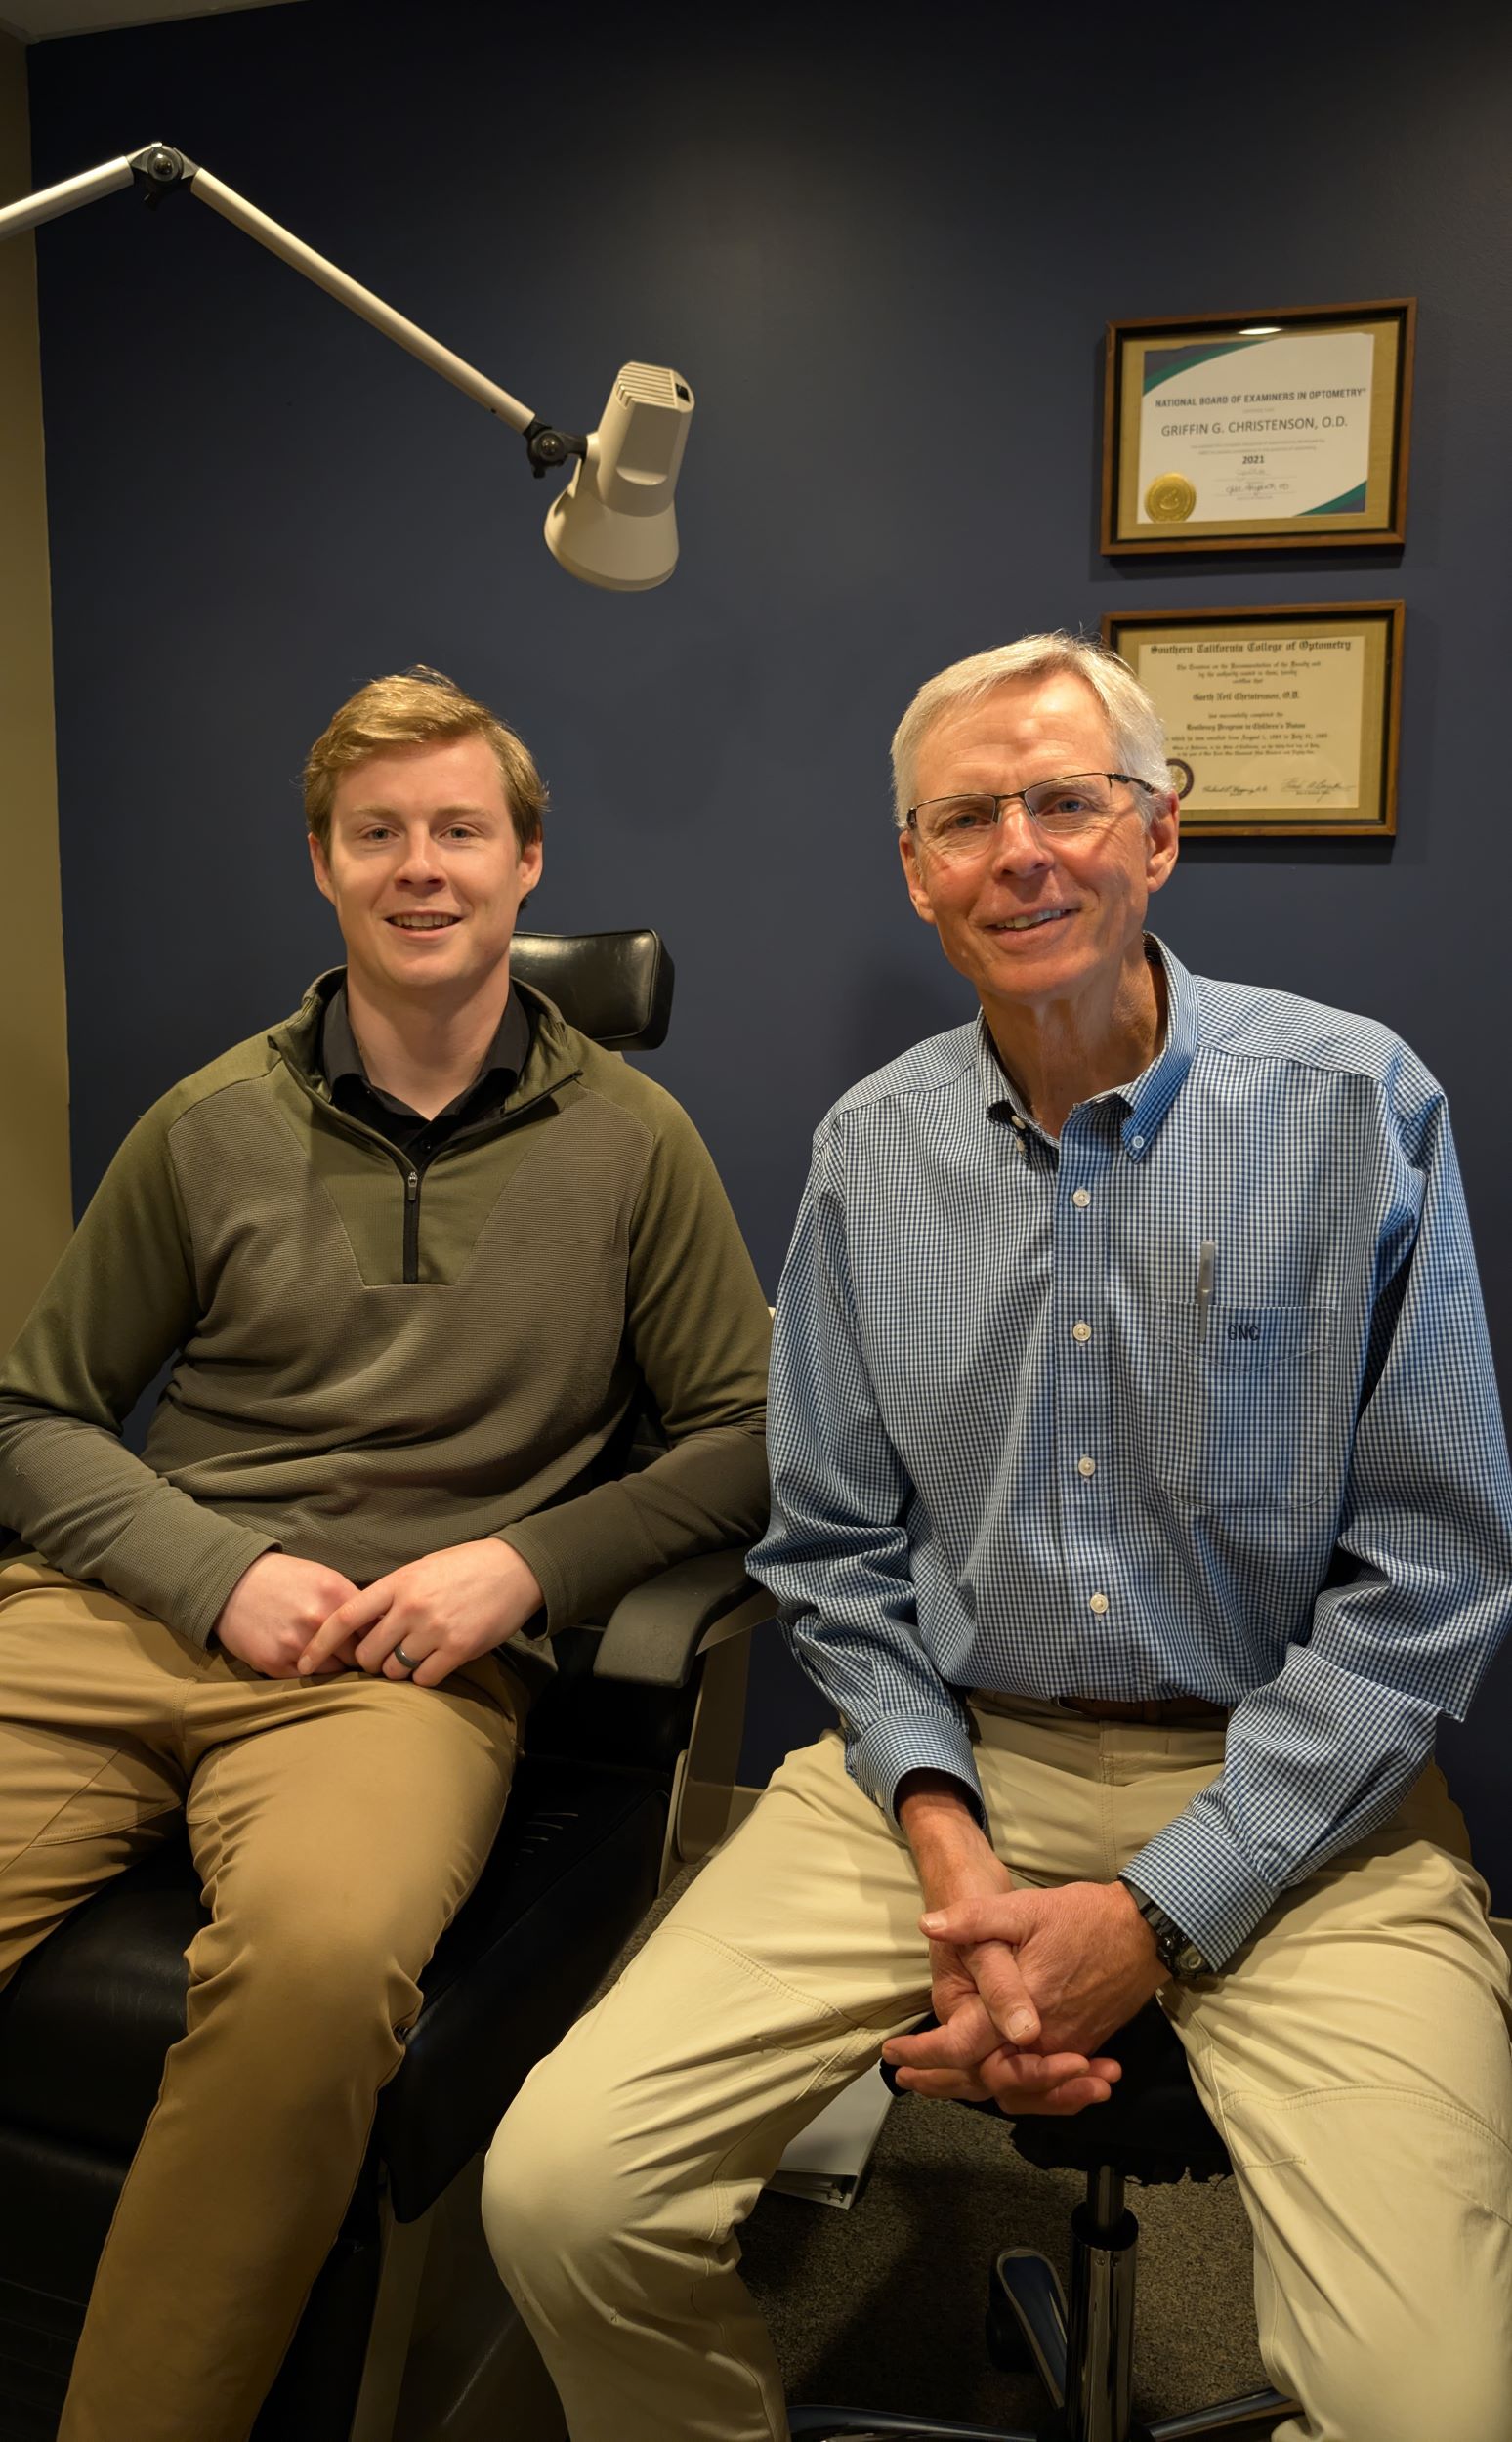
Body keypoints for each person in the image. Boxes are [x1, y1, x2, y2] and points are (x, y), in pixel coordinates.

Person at [483, 633, 1512, 2442]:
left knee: (1426, 2408)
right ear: (916, 872)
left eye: (1067, 802)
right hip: (947, 1766)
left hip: (1295, 1790)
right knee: (564, 2197)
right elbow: (833, 1554)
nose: (1019, 851)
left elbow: (1430, 1577)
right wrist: (953, 1856)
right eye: (967, 819)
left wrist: (1154, 1915)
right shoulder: (870, 1152)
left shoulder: (1358, 1105)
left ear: (1159, 833)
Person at [0, 666, 771, 2442]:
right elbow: (34, 1414)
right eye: (377, 835)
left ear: (526, 864)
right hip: (125, 1621)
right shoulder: (205, 1122)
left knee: (323, 1967)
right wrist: (211, 1573)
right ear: (324, 866)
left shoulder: (634, 1147)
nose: (420, 866)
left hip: (392, 1671)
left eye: (458, 831)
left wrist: (527, 1567)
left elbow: (748, 1436)